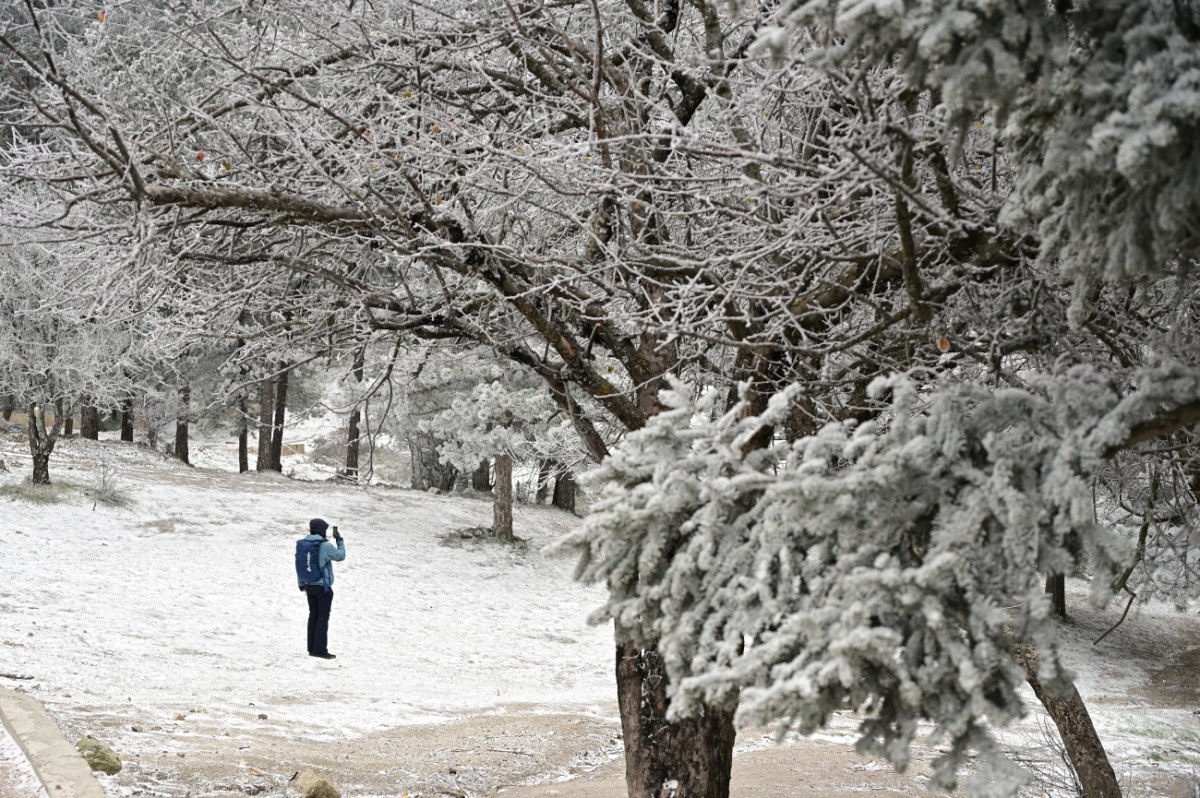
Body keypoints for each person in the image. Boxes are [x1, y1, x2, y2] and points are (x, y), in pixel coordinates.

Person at [297, 518, 346, 659]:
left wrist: (301, 584)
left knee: (313, 616)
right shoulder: (325, 546)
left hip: (309, 586)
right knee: (322, 618)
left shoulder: (303, 544)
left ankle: (312, 648)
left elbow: (299, 565)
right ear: (320, 530)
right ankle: (320, 650)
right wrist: (339, 541)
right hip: (323, 587)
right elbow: (340, 556)